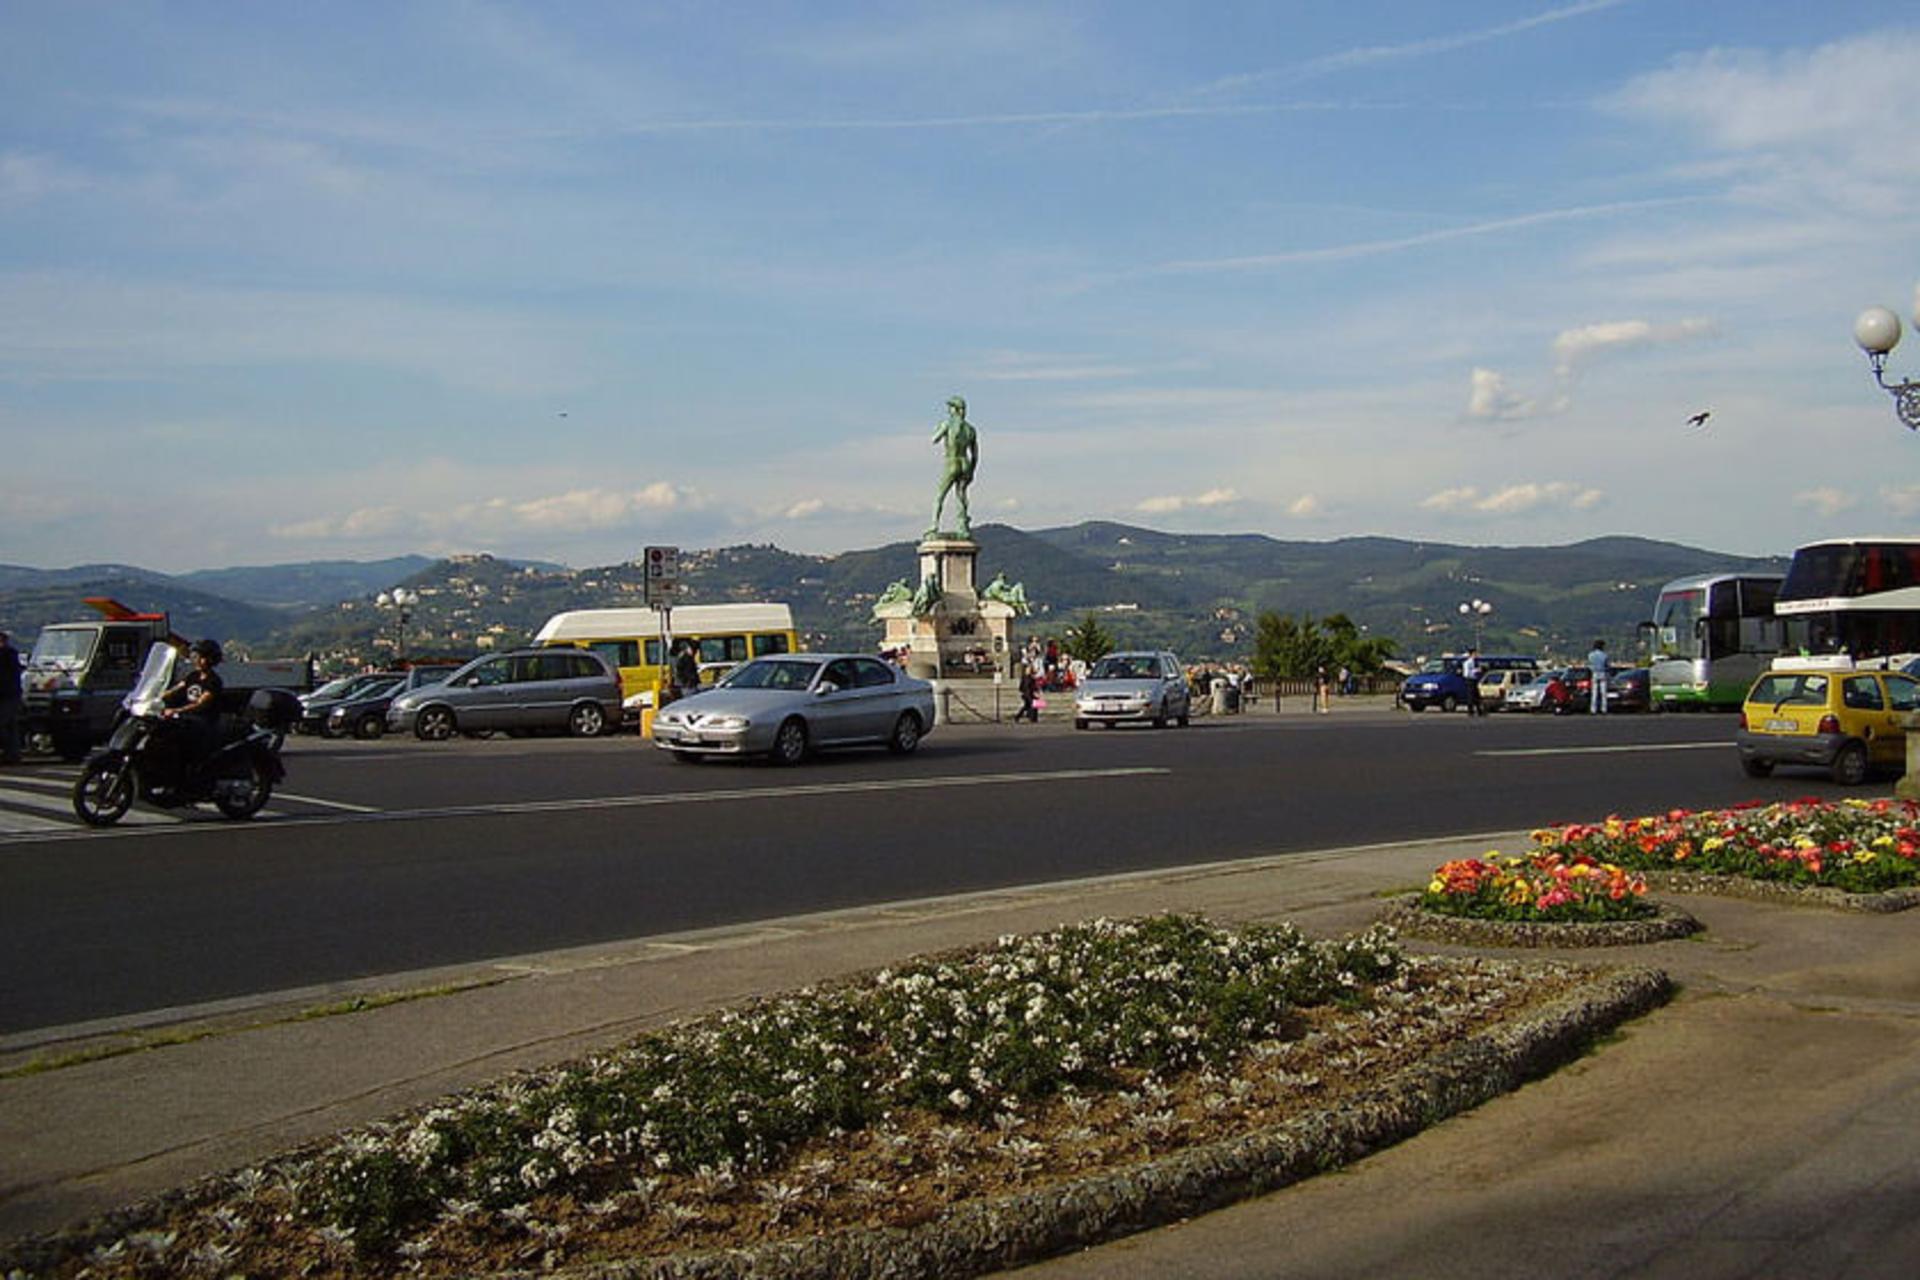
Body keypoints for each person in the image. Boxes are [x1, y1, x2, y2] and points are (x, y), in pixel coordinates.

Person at [161, 638, 226, 763]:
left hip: (203, 720)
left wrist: (176, 711)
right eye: (197, 657)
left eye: (203, 657)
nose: (199, 661)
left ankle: (189, 764)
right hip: (188, 717)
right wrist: (156, 697)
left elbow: (200, 704)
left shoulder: (214, 681)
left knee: (183, 733)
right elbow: (176, 689)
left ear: (212, 660)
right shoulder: (193, 676)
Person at [927, 395, 979, 539]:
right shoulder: (970, 429)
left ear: (954, 409)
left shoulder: (948, 423)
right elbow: (975, 454)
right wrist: (972, 471)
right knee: (961, 496)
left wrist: (939, 429)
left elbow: (934, 439)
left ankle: (933, 526)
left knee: (940, 495)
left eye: (950, 407)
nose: (949, 410)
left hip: (952, 461)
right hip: (965, 463)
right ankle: (962, 527)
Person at [0, 630, 23, 764]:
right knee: (11, 725)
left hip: (7, 695)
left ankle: (11, 753)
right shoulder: (11, 654)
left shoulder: (6, 654)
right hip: (11, 694)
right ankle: (13, 754)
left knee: (5, 724)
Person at [1587, 639, 1609, 714]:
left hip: (1595, 673)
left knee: (1594, 693)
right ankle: (1604, 709)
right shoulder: (1605, 655)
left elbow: (1589, 665)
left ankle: (1593, 709)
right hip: (1603, 673)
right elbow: (1607, 666)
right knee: (1603, 693)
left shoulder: (1590, 655)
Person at [1461, 648, 1484, 718]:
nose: (1476, 655)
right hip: (1470, 680)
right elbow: (1467, 673)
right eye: (1475, 653)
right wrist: (1476, 670)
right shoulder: (1468, 663)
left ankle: (1479, 711)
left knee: (1476, 696)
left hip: (1473, 680)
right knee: (1471, 696)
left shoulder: (1474, 662)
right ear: (1472, 654)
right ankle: (1470, 711)